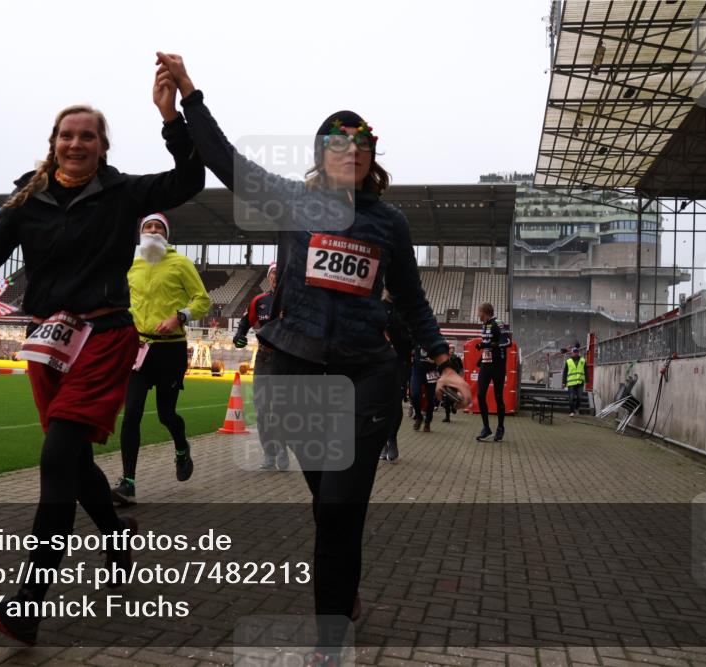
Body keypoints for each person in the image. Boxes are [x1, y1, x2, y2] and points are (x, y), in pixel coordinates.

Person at [154, 52, 472, 666]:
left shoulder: (390, 224)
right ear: (320, 152)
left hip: (365, 378)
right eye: (337, 142)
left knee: (338, 513)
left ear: (372, 155)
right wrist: (191, 95)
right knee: (328, 507)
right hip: (293, 373)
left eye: (362, 143)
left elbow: (410, 300)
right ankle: (342, 591)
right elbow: (225, 160)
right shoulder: (289, 202)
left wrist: (443, 359)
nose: (351, 151)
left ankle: (330, 643)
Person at [0, 76, 204, 644]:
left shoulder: (123, 194)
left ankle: (26, 608)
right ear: (53, 142)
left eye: (87, 136)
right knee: (71, 460)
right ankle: (118, 545)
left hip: (105, 334)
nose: (75, 144)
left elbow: (189, 178)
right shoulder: (28, 197)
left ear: (102, 146)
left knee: (56, 457)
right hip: (48, 338)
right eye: (67, 135)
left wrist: (172, 117)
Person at [113, 213, 211, 505]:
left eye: (159, 227)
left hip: (171, 349)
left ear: (166, 234)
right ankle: (127, 483)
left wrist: (179, 316)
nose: (153, 230)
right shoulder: (132, 267)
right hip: (139, 349)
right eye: (148, 227)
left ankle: (181, 448)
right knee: (131, 414)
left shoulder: (180, 263)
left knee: (167, 414)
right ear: (141, 233)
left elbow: (202, 301)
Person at [234, 262, 290, 471]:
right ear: (269, 277)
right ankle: (269, 454)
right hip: (264, 360)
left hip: (286, 360)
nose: (276, 276)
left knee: (282, 410)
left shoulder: (292, 301)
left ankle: (283, 449)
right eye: (274, 272)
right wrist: (239, 336)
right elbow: (243, 324)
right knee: (262, 410)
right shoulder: (259, 301)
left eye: (279, 272)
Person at [381, 291, 412, 462]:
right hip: (378, 360)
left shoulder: (405, 309)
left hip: (401, 360)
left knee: (396, 401)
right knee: (380, 403)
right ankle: (383, 442)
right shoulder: (377, 306)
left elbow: (413, 335)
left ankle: (392, 439)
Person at [474, 302, 511, 442]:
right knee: (480, 394)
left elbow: (507, 342)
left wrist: (487, 345)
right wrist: (481, 357)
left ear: (484, 312)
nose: (478, 315)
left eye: (479, 312)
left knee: (498, 397)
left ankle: (500, 428)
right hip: (486, 365)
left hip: (498, 366)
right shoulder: (484, 325)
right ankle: (486, 428)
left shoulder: (498, 323)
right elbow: (487, 345)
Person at [441, 344, 463, 422]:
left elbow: (461, 368)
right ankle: (447, 417)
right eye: (450, 348)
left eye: (453, 348)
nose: (452, 350)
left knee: (452, 396)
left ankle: (454, 407)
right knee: (446, 398)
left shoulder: (456, 358)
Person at [563, 346, 586, 416]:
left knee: (580, 397)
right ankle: (571, 411)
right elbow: (565, 372)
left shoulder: (583, 360)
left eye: (577, 352)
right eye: (574, 352)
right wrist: (564, 382)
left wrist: (586, 380)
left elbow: (586, 371)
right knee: (571, 397)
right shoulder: (568, 361)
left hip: (580, 382)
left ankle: (576, 408)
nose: (576, 353)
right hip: (571, 382)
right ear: (572, 353)